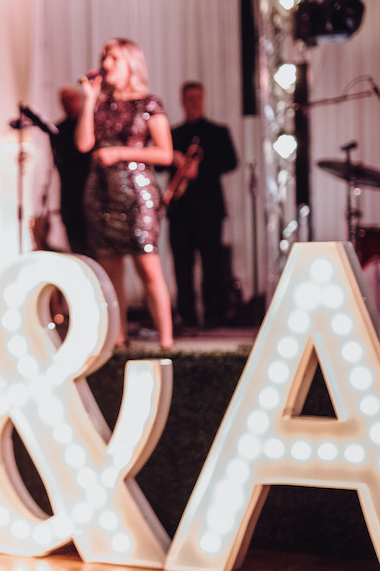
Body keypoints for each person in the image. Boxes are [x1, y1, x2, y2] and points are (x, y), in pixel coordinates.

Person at [77, 37, 174, 349]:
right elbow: (82, 144)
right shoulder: (99, 104)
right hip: (101, 192)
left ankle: (167, 342)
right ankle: (118, 340)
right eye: (105, 57)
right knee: (110, 269)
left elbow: (166, 154)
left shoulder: (149, 104)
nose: (106, 64)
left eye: (114, 59)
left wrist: (119, 153)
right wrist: (90, 99)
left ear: (130, 64)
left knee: (148, 265)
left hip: (136, 193)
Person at [165, 81, 239, 329]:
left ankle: (214, 315)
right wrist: (173, 159)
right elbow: (158, 164)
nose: (194, 103)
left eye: (198, 98)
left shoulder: (218, 132)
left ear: (204, 99)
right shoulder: (172, 134)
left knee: (212, 264)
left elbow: (231, 161)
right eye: (190, 98)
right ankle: (187, 316)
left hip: (209, 209)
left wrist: (201, 168)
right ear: (182, 101)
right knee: (182, 265)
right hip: (180, 211)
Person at [50, 87, 92, 256]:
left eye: (72, 98)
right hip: (69, 198)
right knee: (77, 249)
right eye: (64, 99)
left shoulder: (90, 127)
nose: (68, 103)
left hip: (90, 196)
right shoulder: (58, 130)